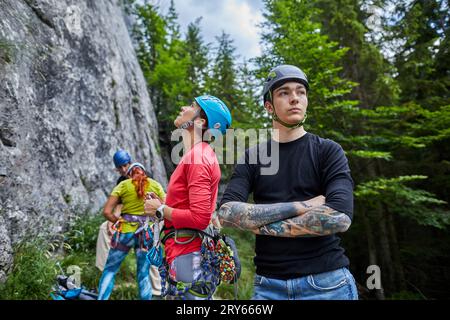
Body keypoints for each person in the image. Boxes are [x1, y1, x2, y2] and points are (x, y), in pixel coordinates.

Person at [218, 64, 358, 300]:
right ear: (269, 106)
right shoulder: (253, 156)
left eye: (300, 92)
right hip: (268, 287)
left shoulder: (328, 151)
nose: (294, 98)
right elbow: (229, 212)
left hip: (327, 284)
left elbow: (339, 218)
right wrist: (303, 205)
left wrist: (256, 222)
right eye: (284, 92)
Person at [144, 95, 232, 300]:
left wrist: (160, 209)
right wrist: (164, 203)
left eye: (192, 106)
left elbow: (199, 217)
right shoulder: (197, 155)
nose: (184, 107)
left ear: (200, 122)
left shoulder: (197, 158)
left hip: (187, 256)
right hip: (188, 254)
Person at [95, 150, 163, 298]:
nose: (123, 169)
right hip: (145, 231)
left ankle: (102, 295)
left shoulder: (123, 185)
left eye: (125, 166)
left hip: (126, 230)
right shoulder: (154, 184)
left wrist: (117, 221)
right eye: (120, 167)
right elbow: (165, 207)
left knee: (110, 269)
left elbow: (107, 211)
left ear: (129, 167)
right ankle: (153, 294)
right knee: (143, 273)